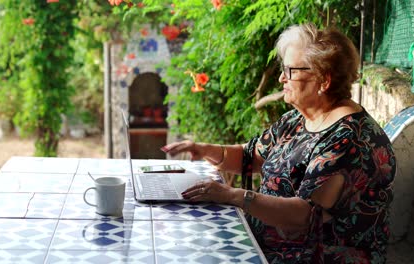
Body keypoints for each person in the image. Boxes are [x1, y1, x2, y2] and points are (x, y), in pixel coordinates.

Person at [162, 23, 396, 263]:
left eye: (291, 71)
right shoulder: (299, 118)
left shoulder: (347, 139)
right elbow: (249, 157)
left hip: (315, 256)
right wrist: (202, 149)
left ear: (323, 79)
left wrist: (233, 196)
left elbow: (305, 215)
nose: (282, 78)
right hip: (271, 246)